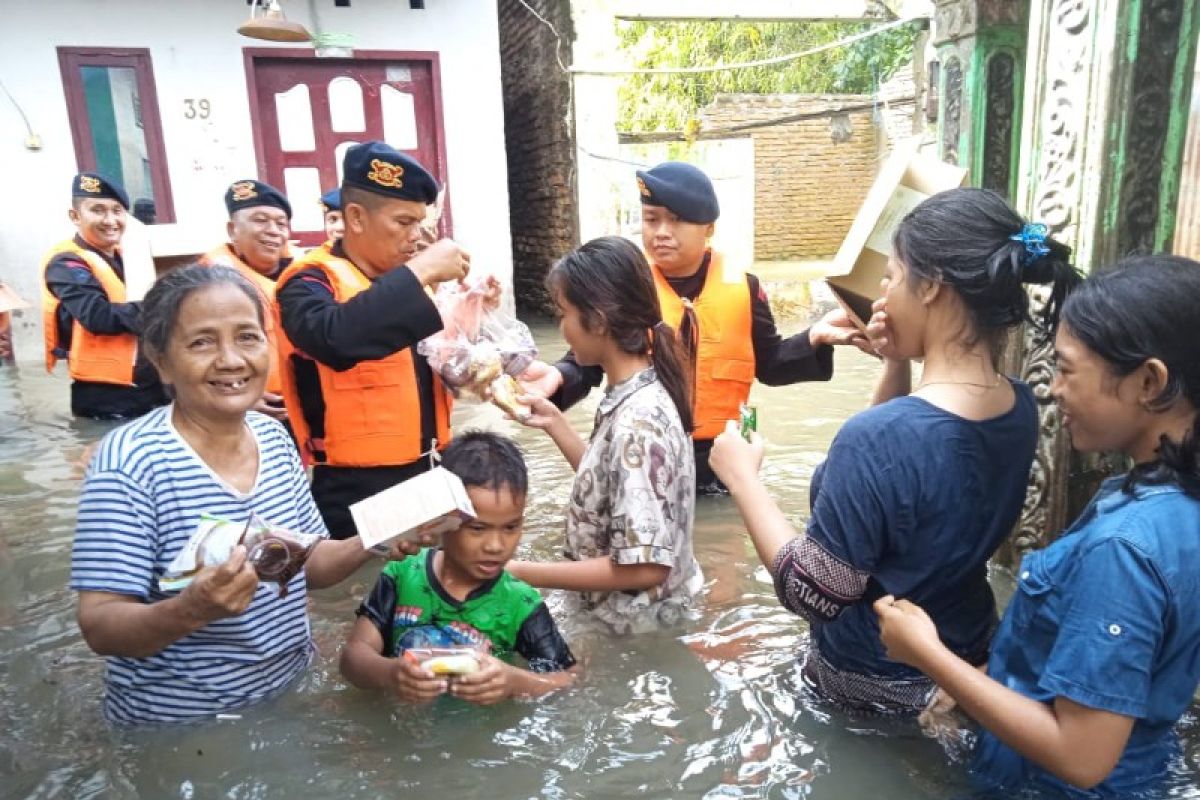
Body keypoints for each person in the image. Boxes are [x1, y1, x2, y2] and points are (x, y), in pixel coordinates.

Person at [709, 188, 1081, 714]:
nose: (881, 297)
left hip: (876, 685)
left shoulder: (880, 439)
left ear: (930, 286)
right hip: (970, 655)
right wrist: (896, 362)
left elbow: (813, 590)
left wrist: (742, 479)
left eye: (891, 276)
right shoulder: (1018, 402)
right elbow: (910, 464)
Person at [876, 255, 1200, 797]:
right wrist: (983, 677)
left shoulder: (1123, 550)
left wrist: (929, 654)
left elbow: (1081, 756)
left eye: (1069, 369)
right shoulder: (1170, 503)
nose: (1053, 389)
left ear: (1149, 381)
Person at [69, 264, 407, 725]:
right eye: (202, 342)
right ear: (161, 359)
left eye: (247, 337)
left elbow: (309, 565)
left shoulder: (272, 437)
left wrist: (382, 535)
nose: (231, 360)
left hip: (290, 695)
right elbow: (101, 625)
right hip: (179, 723)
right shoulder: (128, 463)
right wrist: (190, 610)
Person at [519, 161, 865, 494]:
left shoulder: (745, 288)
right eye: (651, 220)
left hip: (722, 459)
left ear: (708, 228)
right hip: (649, 448)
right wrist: (558, 377)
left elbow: (770, 364)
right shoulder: (630, 286)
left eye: (677, 221)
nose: (662, 233)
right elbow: (588, 359)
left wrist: (815, 337)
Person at [505, 236, 703, 634]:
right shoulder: (637, 390)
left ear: (596, 321)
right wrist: (557, 426)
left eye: (563, 314)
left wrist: (520, 572)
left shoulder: (637, 421)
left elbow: (646, 566)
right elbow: (619, 487)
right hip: (642, 616)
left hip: (634, 626)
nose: (561, 329)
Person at [275, 141, 471, 539]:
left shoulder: (405, 284)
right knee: (361, 594)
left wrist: (473, 313)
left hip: (428, 467)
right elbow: (335, 338)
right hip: (353, 488)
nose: (417, 237)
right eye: (403, 222)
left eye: (421, 223)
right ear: (356, 218)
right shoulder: (308, 281)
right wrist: (423, 269)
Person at [340, 431, 578, 703]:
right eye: (477, 528)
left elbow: (568, 678)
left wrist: (515, 682)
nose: (496, 545)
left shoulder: (520, 604)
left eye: (511, 527)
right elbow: (353, 657)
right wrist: (391, 673)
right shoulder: (403, 574)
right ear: (443, 520)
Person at [41, 173, 168, 419]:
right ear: (75, 216)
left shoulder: (128, 257)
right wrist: (166, 308)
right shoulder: (66, 263)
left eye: (117, 211)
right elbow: (98, 317)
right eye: (98, 210)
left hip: (149, 385)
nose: (110, 220)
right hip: (107, 395)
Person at [198, 179, 295, 421]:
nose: (273, 230)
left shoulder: (307, 275)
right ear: (232, 230)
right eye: (260, 221)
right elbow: (201, 352)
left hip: (300, 406)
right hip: (241, 407)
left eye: (281, 224)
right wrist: (241, 393)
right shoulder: (206, 282)